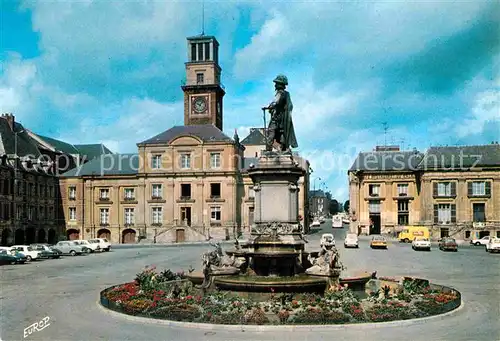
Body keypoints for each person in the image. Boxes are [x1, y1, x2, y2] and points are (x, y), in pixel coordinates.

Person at [262, 75, 298, 152]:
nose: (275, 85)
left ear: (281, 84)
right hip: (279, 118)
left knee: (271, 131)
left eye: (276, 83)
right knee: (278, 133)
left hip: (277, 118)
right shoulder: (282, 94)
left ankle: (269, 150)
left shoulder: (282, 93)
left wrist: (269, 107)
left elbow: (277, 103)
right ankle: (281, 148)